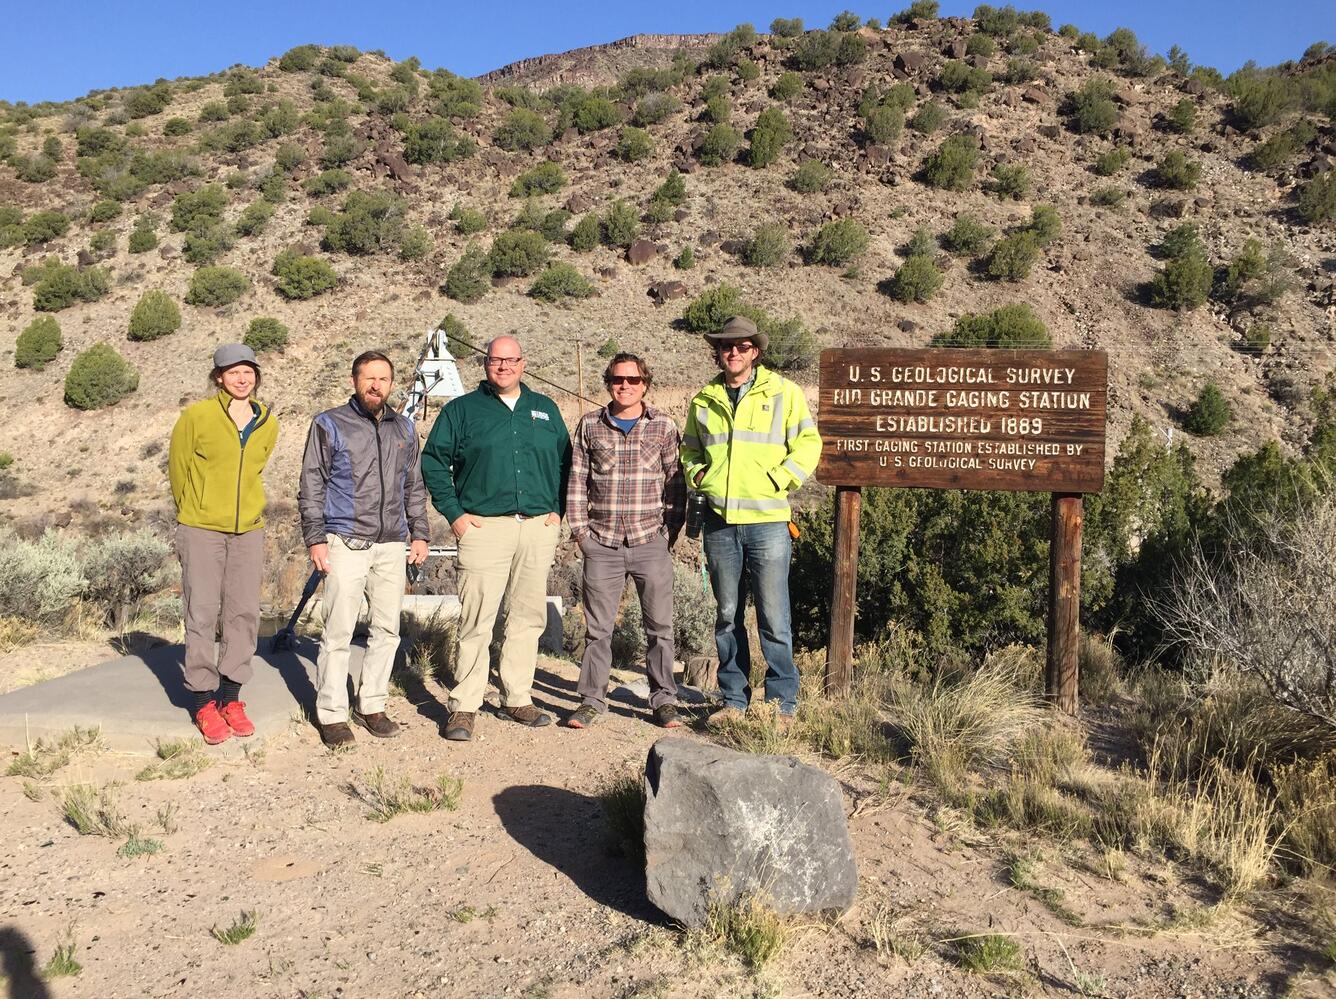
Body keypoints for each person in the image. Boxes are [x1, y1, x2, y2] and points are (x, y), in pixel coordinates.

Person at [420, 335, 571, 742]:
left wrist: (558, 512)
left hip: (537, 527)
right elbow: (433, 462)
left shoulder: (544, 409)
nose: (502, 366)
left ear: (523, 364)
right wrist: (456, 516)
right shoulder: (461, 411)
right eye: (494, 360)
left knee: (526, 618)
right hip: (483, 527)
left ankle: (516, 697)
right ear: (485, 364)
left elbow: (567, 461)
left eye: (510, 360)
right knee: (477, 618)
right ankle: (465, 705)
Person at [681, 315, 823, 729]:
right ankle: (733, 699)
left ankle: (781, 702)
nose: (733, 352)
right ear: (719, 352)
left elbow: (808, 443)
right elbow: (689, 451)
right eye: (727, 346)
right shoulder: (704, 398)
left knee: (774, 617)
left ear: (755, 352)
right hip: (720, 524)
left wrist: (780, 479)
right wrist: (698, 476)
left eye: (742, 346)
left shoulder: (783, 392)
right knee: (726, 615)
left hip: (768, 524)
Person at [298, 350, 430, 749]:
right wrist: (315, 538)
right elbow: (311, 484)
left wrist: (419, 534)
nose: (376, 385)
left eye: (384, 379)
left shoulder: (404, 429)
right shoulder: (329, 424)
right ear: (355, 381)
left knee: (387, 630)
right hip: (345, 540)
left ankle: (372, 705)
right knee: (338, 630)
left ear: (392, 384)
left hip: (392, 543)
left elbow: (414, 486)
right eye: (368, 378)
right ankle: (333, 714)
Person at [564, 353, 686, 730]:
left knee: (659, 628)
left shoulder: (664, 426)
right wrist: (582, 535)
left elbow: (676, 483)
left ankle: (664, 700)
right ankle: (591, 699)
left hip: (651, 541)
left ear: (644, 384)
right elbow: (576, 482)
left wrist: (668, 533)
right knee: (598, 630)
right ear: (609, 382)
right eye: (618, 379)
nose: (625, 385)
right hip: (602, 543)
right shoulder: (589, 426)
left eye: (633, 380)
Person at [168, 343, 279, 745]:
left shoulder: (267, 421)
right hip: (201, 527)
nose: (241, 378)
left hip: (248, 528)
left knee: (244, 611)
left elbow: (258, 466)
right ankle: (202, 700)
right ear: (218, 377)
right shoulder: (196, 417)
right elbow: (178, 469)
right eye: (232, 371)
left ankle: (231, 697)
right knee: (201, 611)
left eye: (248, 370)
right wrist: (194, 511)